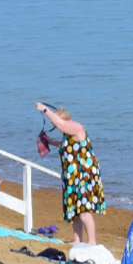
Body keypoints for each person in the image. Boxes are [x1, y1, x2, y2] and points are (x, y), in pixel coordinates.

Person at [35, 103, 105, 244]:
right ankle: (77, 240)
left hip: (84, 175)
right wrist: (50, 141)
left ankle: (92, 242)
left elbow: (59, 123)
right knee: (75, 211)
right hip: (73, 177)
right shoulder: (68, 135)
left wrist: (44, 109)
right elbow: (65, 145)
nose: (56, 127)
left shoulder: (77, 127)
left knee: (84, 211)